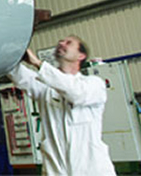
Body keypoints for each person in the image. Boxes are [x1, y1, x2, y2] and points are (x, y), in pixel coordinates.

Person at [8, 35, 116, 176]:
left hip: (92, 170)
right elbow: (18, 74)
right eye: (61, 41)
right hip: (56, 171)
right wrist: (5, 53)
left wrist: (37, 63)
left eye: (68, 43)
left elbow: (75, 93)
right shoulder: (45, 88)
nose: (61, 43)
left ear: (81, 55)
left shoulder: (94, 85)